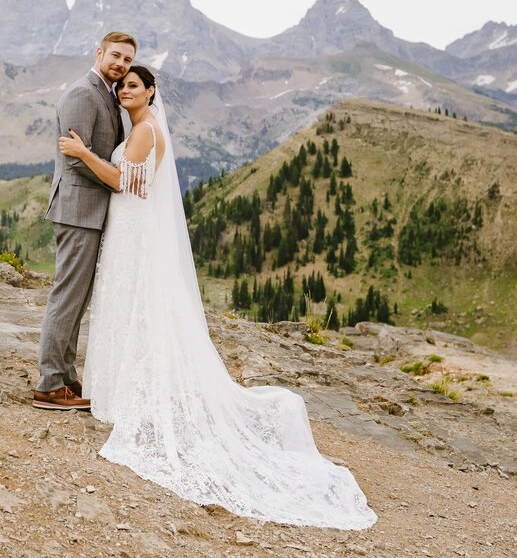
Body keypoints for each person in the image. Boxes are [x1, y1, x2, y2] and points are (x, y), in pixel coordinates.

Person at [59, 65, 377, 529]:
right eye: (123, 85)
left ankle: (130, 395)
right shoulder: (141, 128)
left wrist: (83, 153)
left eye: (134, 85)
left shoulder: (146, 131)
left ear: (150, 92)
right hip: (129, 228)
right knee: (129, 309)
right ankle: (121, 389)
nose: (126, 90)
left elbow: (124, 181)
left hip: (134, 231)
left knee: (136, 308)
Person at [34, 31, 136, 411]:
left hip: (89, 211)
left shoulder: (106, 94)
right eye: (116, 56)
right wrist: (117, 179)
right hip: (77, 210)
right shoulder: (82, 92)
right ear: (99, 52)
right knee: (67, 296)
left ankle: (65, 376)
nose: (121, 65)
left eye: (127, 60)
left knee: (77, 300)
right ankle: (48, 384)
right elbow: (76, 157)